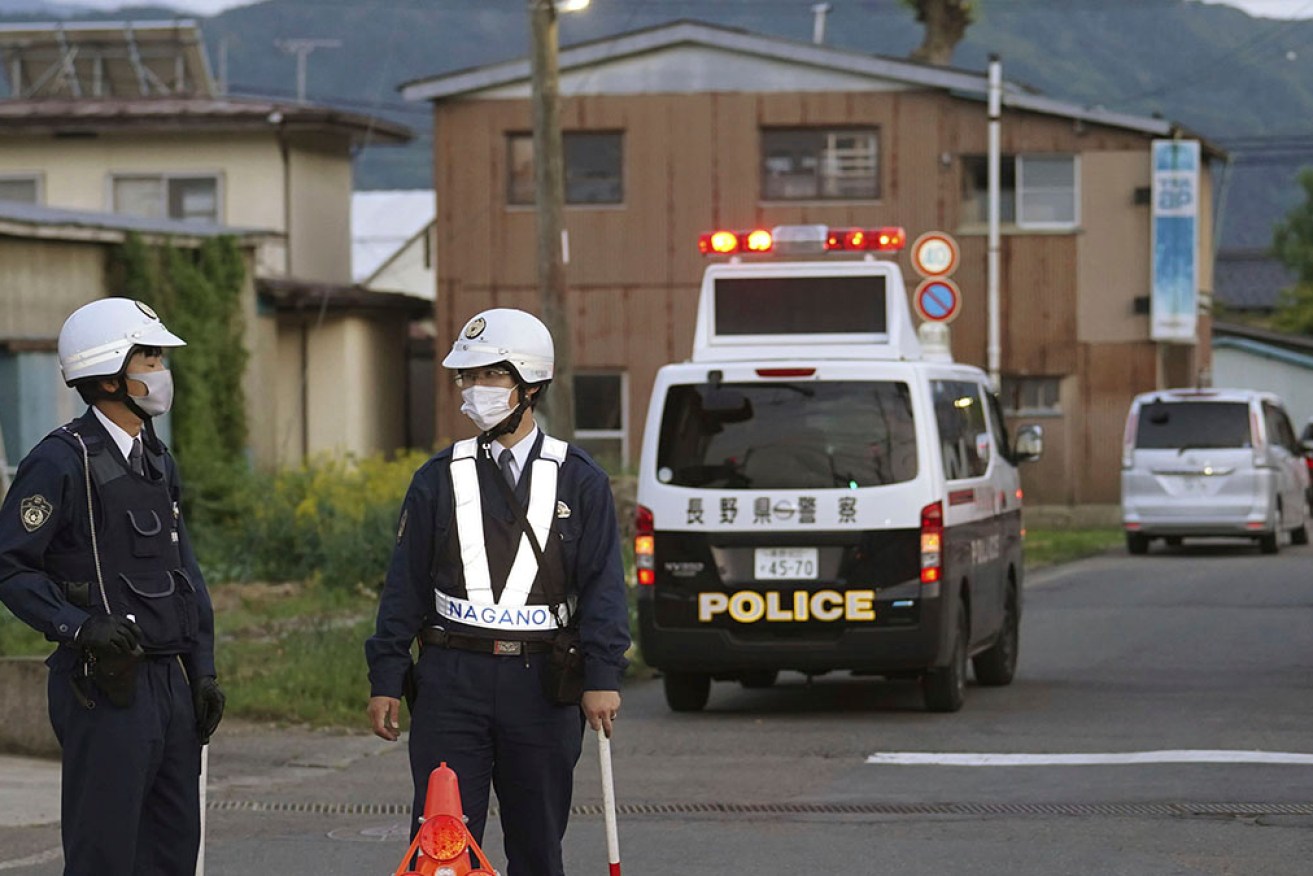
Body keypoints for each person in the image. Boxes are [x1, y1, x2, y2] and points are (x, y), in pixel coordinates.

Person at [366, 307, 630, 876]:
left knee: (537, 846)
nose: (473, 391)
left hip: (542, 685)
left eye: (490, 376)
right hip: (449, 681)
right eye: (467, 377)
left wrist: (603, 676)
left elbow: (604, 584)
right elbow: (403, 587)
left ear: (530, 384)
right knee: (443, 845)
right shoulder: (438, 476)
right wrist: (386, 676)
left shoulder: (579, 477)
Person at [0, 297, 225, 876]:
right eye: (148, 357)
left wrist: (202, 671)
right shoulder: (60, 460)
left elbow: (185, 576)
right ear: (106, 376)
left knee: (172, 849)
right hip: (104, 688)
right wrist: (78, 626)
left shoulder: (155, 458)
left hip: (168, 685)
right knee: (105, 853)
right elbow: (11, 567)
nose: (160, 371)